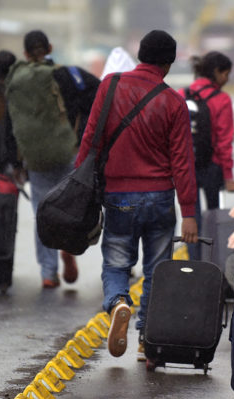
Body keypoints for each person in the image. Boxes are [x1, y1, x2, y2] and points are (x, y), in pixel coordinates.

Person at [75, 29, 198, 361]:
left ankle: (118, 303)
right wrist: (189, 211)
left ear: (140, 54)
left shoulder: (110, 85)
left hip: (118, 195)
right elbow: (183, 160)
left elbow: (90, 139)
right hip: (159, 196)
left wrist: (78, 183)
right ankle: (148, 339)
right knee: (157, 270)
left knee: (116, 263)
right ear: (169, 63)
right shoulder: (173, 100)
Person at [5, 30, 91, 289]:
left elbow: (13, 124)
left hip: (35, 159)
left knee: (41, 213)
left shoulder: (15, 80)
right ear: (49, 47)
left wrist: (17, 163)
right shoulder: (63, 75)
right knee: (69, 208)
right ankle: (68, 246)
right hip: (67, 151)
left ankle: (48, 272)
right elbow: (95, 95)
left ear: (25, 53)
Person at [179, 51, 234, 259]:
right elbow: (224, 141)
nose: (227, 79)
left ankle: (193, 266)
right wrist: (229, 176)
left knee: (191, 217)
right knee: (214, 217)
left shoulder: (182, 94)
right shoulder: (221, 99)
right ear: (216, 72)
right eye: (226, 74)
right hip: (212, 166)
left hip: (185, 166)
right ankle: (214, 261)